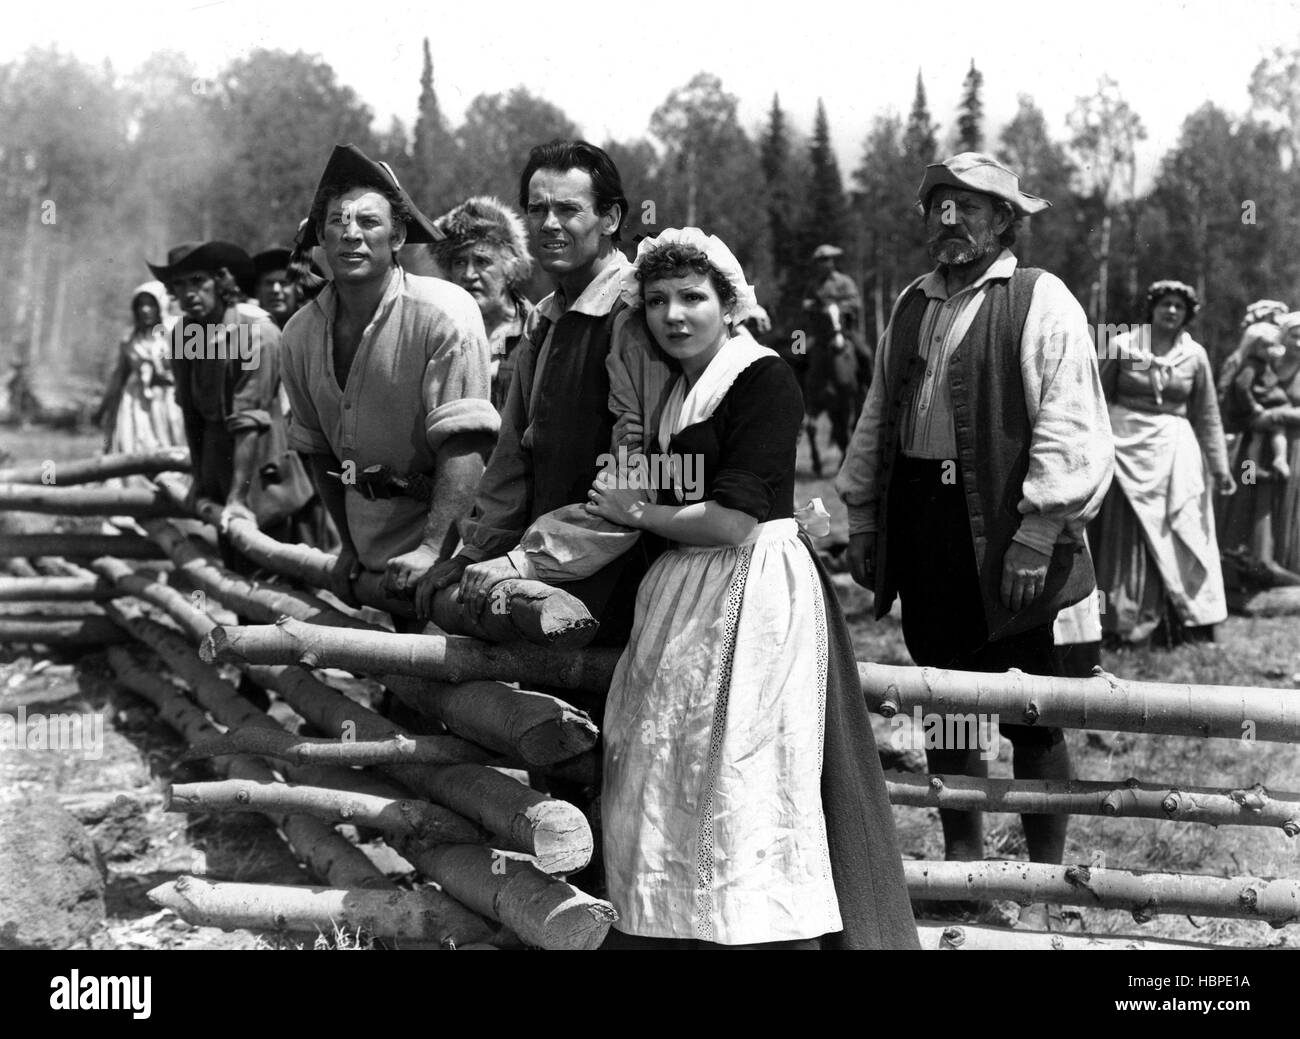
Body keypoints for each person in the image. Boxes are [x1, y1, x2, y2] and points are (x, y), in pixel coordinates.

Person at [586, 228, 917, 950]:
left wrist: (637, 511)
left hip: (751, 591)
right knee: (667, 762)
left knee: (750, 774)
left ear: (729, 304)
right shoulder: (677, 387)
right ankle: (681, 927)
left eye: (693, 299)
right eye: (660, 300)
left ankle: (768, 933)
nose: (674, 315)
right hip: (687, 590)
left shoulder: (761, 378)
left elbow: (736, 518)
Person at [837, 152, 1113, 890]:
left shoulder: (1040, 298)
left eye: (970, 207)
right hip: (927, 523)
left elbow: (1070, 422)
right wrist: (864, 516)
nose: (950, 221)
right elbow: (875, 414)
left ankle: (1045, 881)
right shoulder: (911, 304)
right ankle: (966, 866)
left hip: (1006, 524)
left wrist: (1038, 529)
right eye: (938, 207)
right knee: (947, 696)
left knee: (1032, 704)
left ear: (1005, 220)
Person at [418, 140, 663, 646]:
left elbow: (640, 482)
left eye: (569, 209)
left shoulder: (636, 316)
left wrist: (523, 559)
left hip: (629, 582)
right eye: (537, 209)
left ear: (611, 217)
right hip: (549, 578)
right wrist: (473, 551)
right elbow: (512, 457)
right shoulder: (545, 319)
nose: (550, 224)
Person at [280, 144, 497, 611]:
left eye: (368, 222)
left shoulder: (444, 313)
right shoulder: (298, 334)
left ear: (398, 237)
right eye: (337, 222)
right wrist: (348, 546)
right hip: (368, 540)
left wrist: (433, 548)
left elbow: (466, 443)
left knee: (450, 664)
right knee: (398, 676)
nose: (351, 235)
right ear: (320, 235)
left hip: (454, 544)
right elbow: (318, 449)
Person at [147, 240, 320, 545]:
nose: (189, 293)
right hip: (218, 466)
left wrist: (237, 498)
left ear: (221, 281)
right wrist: (200, 480)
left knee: (276, 563)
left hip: (262, 470)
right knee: (234, 562)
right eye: (179, 284)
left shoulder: (255, 332)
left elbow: (248, 420)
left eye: (198, 281)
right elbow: (190, 412)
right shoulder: (187, 334)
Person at [1091, 280, 1233, 646]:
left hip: (1176, 452)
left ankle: (1182, 623)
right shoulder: (1122, 346)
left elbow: (1208, 414)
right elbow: (1095, 399)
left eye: (1179, 307)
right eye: (1165, 304)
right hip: (1125, 451)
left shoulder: (1195, 356)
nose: (1172, 311)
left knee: (1182, 529)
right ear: (1151, 308)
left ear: (1187, 315)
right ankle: (1122, 625)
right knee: (1128, 535)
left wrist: (1220, 467)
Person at [431, 197, 535, 412]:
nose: (469, 275)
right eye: (459, 262)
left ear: (509, 268)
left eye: (482, 261)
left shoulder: (539, 331)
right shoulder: (435, 333)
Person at [1220, 311, 1300, 580]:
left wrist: (1275, 416)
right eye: (1294, 335)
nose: (1299, 342)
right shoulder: (1265, 363)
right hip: (1252, 443)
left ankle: (1280, 564)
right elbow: (1231, 397)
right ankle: (1246, 560)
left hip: (1293, 448)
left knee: (1286, 501)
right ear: (1283, 336)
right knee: (1248, 490)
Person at [96, 281, 186, 456]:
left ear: (161, 305)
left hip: (170, 398)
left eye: (151, 304)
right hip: (138, 401)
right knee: (134, 442)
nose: (145, 310)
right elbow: (119, 377)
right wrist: (104, 408)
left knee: (173, 443)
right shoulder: (130, 339)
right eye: (141, 305)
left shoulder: (176, 330)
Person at [801, 244, 868, 475]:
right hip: (821, 338)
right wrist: (811, 306)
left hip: (845, 333)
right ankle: (800, 394)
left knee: (866, 354)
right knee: (797, 354)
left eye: (828, 260)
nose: (825, 264)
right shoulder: (813, 285)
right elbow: (806, 305)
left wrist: (837, 306)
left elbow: (856, 302)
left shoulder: (844, 281)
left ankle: (867, 387)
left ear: (833, 261)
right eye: (821, 261)